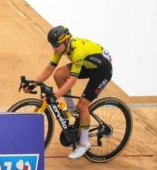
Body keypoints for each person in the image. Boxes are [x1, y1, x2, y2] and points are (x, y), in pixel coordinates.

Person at [27, 25, 113, 160]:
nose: (53, 48)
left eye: (55, 44)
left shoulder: (77, 51)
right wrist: (33, 83)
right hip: (88, 65)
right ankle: (71, 108)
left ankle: (84, 143)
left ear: (66, 41)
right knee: (59, 74)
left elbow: (72, 81)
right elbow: (49, 69)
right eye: (52, 44)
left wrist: (56, 95)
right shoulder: (61, 48)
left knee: (83, 106)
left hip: (102, 71)